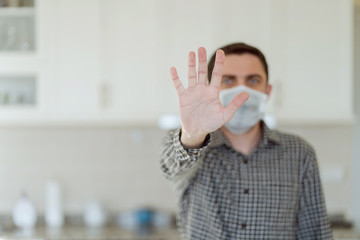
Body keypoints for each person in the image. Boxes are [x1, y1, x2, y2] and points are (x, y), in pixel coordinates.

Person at [160, 43, 333, 239]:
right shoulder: (191, 145)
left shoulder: (300, 153)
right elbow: (171, 166)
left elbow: (315, 231)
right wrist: (193, 135)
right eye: (228, 80)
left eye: (252, 80)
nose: (241, 91)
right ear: (212, 88)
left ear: (267, 91)